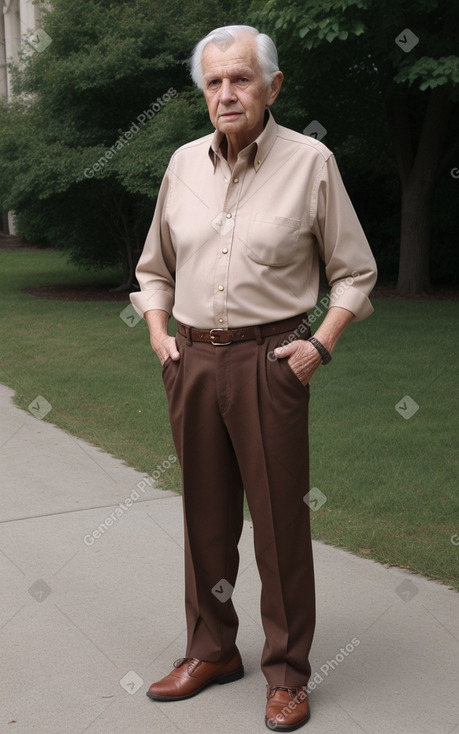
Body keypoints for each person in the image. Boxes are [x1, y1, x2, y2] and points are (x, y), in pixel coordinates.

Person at [130, 24, 377, 732]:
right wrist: (158, 334)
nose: (226, 92)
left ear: (273, 86)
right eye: (213, 82)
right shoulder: (181, 165)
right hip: (191, 359)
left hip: (272, 360)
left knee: (277, 524)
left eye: (240, 78)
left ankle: (288, 674)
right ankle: (211, 649)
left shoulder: (311, 162)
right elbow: (154, 268)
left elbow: (354, 272)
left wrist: (318, 345)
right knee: (204, 521)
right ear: (202, 93)